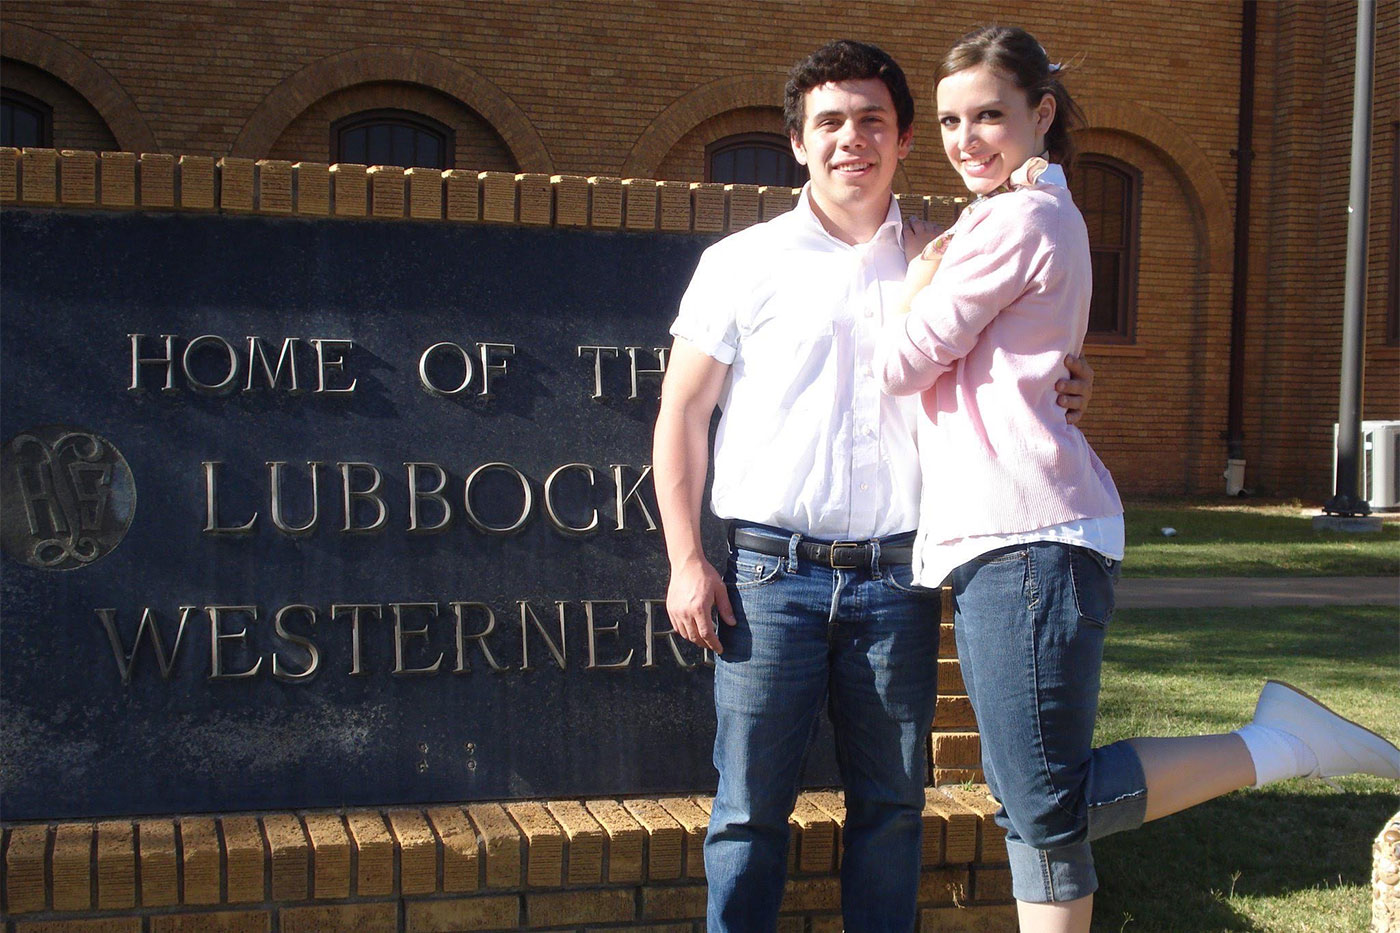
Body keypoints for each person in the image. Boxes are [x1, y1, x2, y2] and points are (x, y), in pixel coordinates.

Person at [874, 24, 1400, 933]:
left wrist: (917, 275)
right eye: (953, 120)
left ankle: (1280, 744)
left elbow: (904, 360)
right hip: (1010, 531)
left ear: (1041, 114)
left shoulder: (1021, 216)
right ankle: (1281, 739)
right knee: (1032, 795)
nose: (967, 139)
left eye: (990, 115)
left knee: (1042, 799)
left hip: (1029, 532)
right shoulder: (1023, 207)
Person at [651, 39, 1096, 933]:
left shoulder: (952, 249)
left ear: (901, 142)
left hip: (898, 579)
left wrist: (1081, 383)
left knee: (892, 810)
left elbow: (1025, 363)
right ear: (797, 142)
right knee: (746, 810)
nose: (849, 138)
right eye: (829, 123)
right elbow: (682, 413)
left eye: (871, 122)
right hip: (767, 579)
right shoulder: (743, 261)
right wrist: (686, 558)